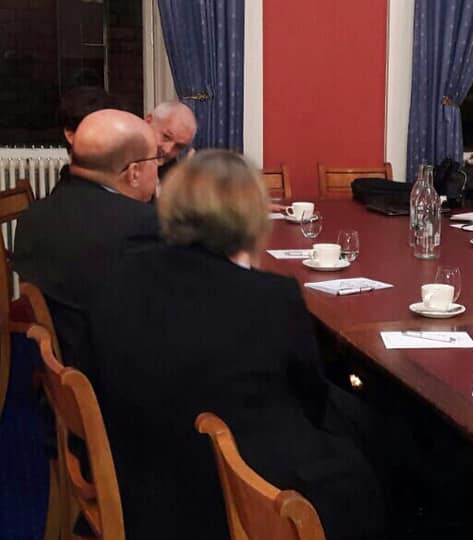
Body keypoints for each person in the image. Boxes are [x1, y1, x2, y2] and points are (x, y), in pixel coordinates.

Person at [67, 150, 400, 540]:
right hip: (228, 500)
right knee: (383, 448)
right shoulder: (269, 297)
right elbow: (311, 401)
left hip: (139, 477)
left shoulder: (115, 275)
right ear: (252, 219)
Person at [13, 109, 161, 310]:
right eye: (155, 159)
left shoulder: (31, 216)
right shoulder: (145, 225)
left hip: (49, 328)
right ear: (134, 172)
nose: (158, 167)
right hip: (109, 329)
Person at [145, 100, 197, 178]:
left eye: (178, 146)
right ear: (148, 121)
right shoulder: (125, 151)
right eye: (166, 136)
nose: (167, 150)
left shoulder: (171, 170)